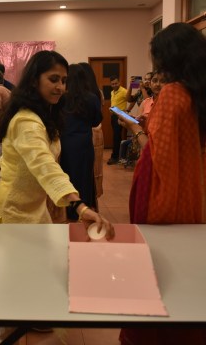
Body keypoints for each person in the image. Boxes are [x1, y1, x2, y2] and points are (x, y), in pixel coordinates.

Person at [118, 22, 206, 345]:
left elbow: (162, 158)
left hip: (162, 193)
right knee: (186, 274)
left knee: (157, 269)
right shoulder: (197, 94)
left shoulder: (172, 94)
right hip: (192, 191)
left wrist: (135, 130)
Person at [0, 50, 114, 234]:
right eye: (53, 79)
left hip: (33, 206)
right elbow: (44, 164)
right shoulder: (26, 120)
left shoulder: (44, 113)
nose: (60, 87)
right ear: (34, 80)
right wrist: (80, 207)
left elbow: (24, 151)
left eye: (64, 81)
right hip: (13, 210)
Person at [60, 64, 102, 217]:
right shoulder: (91, 97)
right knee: (84, 177)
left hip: (65, 142)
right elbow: (96, 121)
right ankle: (83, 210)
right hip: (84, 142)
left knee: (66, 176)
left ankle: (68, 210)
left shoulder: (61, 98)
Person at [79, 62, 105, 198]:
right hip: (98, 131)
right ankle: (94, 196)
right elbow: (99, 113)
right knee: (96, 167)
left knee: (85, 168)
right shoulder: (98, 92)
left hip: (86, 132)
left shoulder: (81, 94)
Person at [107, 75, 127, 165]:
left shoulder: (124, 91)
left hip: (120, 116)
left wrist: (128, 110)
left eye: (116, 83)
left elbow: (132, 99)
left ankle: (115, 157)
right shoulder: (112, 92)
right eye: (112, 84)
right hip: (113, 116)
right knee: (117, 136)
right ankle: (119, 156)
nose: (114, 85)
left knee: (116, 137)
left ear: (119, 82)